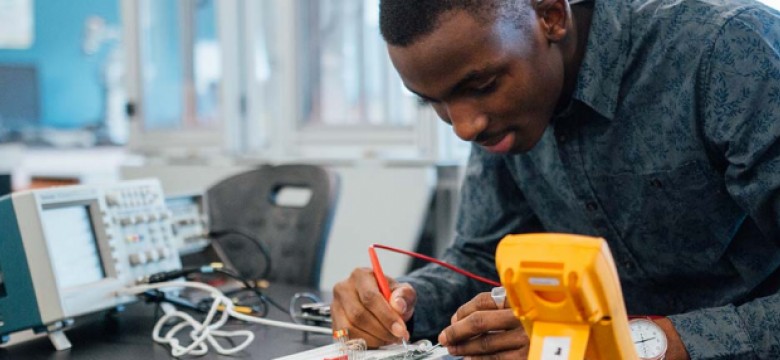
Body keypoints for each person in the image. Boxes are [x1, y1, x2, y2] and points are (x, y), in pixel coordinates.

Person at [330, 0, 780, 358]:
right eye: (434, 101)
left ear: (550, 16)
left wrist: (630, 346)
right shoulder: (502, 116)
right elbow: (481, 261)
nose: (464, 126)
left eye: (481, 86)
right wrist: (399, 305)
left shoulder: (725, 51)